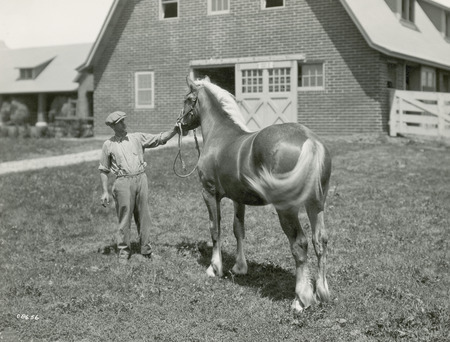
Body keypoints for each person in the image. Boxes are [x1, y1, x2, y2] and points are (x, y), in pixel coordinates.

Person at [99, 111, 178, 262]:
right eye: (120, 122)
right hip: (122, 182)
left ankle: (146, 251)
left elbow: (159, 138)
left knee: (144, 217)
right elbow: (103, 169)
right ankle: (123, 253)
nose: (124, 124)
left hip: (141, 179)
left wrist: (175, 130)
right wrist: (105, 191)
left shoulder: (136, 137)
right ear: (114, 126)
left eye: (124, 121)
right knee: (125, 218)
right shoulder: (108, 145)